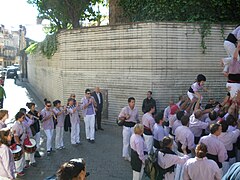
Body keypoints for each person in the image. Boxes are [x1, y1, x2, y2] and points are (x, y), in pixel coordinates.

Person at [118, 97, 139, 161]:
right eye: (132, 102)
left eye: (134, 102)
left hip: (133, 127)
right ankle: (126, 155)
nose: (133, 103)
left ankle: (134, 155)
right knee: (126, 142)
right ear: (129, 103)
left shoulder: (136, 110)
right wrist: (125, 117)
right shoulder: (125, 109)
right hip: (126, 127)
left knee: (133, 142)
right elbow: (119, 117)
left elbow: (137, 118)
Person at [11, 111, 27, 177]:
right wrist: (19, 144)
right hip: (19, 143)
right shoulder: (16, 125)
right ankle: (19, 170)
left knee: (23, 154)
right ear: (19, 118)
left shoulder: (21, 123)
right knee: (19, 157)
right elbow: (16, 135)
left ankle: (23, 165)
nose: (24, 119)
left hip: (22, 141)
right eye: (23, 117)